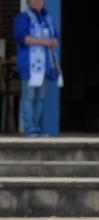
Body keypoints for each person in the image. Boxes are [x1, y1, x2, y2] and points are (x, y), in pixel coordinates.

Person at [14, 0, 60, 137]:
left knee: (40, 98)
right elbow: (21, 38)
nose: (40, 1)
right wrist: (44, 42)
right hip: (30, 63)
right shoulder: (24, 17)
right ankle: (30, 128)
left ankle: (36, 128)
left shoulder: (48, 18)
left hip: (45, 64)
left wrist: (53, 42)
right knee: (29, 97)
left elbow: (56, 38)